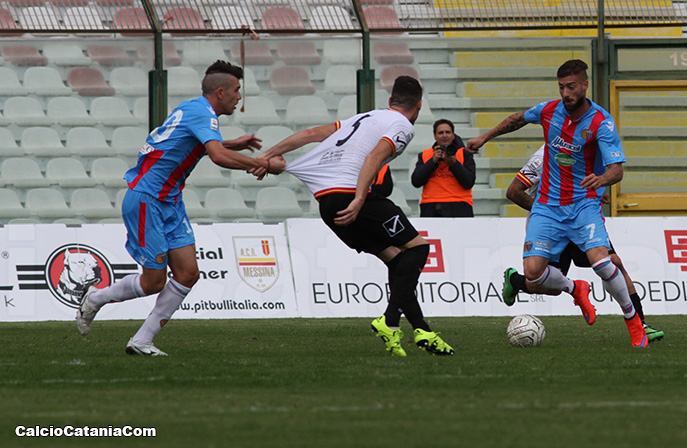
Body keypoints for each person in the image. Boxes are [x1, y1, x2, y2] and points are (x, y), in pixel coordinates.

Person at [75, 60, 285, 356]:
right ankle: (95, 299)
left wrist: (232, 144)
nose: (239, 97)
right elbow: (217, 156)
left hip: (170, 201)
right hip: (147, 198)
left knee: (188, 273)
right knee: (153, 282)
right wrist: (261, 163)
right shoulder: (203, 113)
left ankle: (142, 340)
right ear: (221, 92)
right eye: (237, 90)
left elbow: (189, 144)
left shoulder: (194, 108)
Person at [254, 76, 454, 357]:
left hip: (327, 204)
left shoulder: (365, 117)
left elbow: (311, 133)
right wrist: (360, 199)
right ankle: (390, 320)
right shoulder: (402, 126)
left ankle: (422, 330)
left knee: (398, 261)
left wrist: (267, 154)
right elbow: (374, 158)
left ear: (390, 100)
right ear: (418, 106)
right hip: (350, 196)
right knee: (418, 249)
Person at [467, 59, 649, 347]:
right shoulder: (549, 111)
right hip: (547, 207)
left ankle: (634, 322)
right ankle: (575, 288)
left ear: (585, 85)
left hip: (583, 205)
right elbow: (518, 119)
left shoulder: (601, 122)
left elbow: (617, 170)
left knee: (604, 263)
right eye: (562, 87)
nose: (566, 93)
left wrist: (601, 179)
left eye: (571, 87)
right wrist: (485, 137)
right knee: (533, 274)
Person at [503, 146, 665, 342]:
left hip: (580, 221)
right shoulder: (541, 158)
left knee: (613, 262)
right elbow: (513, 192)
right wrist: (549, 213)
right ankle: (516, 281)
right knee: (552, 286)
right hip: (552, 228)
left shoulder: (581, 148)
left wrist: (595, 194)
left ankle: (641, 325)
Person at [411, 119, 475, 217]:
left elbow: (469, 182)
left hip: (460, 204)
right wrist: (433, 161)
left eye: (448, 132)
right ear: (435, 136)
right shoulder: (425, 155)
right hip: (431, 204)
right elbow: (416, 182)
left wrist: (453, 163)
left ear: (453, 135)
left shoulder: (464, 154)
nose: (444, 136)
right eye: (440, 133)